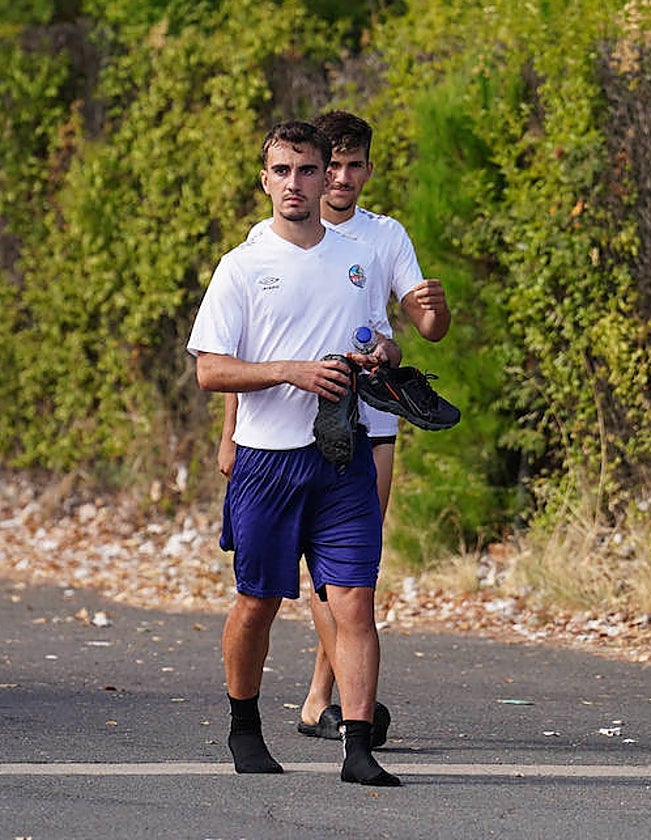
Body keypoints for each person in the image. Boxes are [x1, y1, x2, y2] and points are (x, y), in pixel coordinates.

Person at [220, 110, 453, 745]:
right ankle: (317, 703)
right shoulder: (261, 245)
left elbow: (413, 329)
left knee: (349, 578)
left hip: (368, 423)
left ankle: (335, 705)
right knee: (274, 591)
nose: (339, 178)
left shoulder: (379, 239)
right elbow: (240, 348)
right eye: (332, 165)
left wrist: (424, 322)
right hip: (280, 439)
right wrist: (230, 431)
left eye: (351, 166)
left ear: (361, 171)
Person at [190, 120, 402, 786]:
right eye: (282, 171)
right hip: (268, 462)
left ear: (324, 176)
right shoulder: (242, 265)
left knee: (355, 602)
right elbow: (210, 370)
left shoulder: (356, 258)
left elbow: (383, 339)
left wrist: (382, 355)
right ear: (265, 180)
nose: (296, 183)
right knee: (258, 602)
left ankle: (358, 748)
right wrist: (290, 371)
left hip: (343, 458)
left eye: (307, 170)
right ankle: (244, 727)